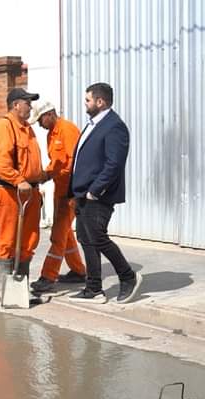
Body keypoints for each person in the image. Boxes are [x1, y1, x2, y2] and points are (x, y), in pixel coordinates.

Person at [68, 82, 142, 304]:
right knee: (86, 239)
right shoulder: (94, 124)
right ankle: (93, 289)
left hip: (98, 196)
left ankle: (128, 277)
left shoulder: (114, 126)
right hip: (82, 194)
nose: (85, 104)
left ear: (100, 102)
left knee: (97, 237)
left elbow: (114, 164)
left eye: (88, 100)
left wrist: (94, 190)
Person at [0, 88, 44, 295]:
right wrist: (19, 180)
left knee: (29, 239)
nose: (31, 107)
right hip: (9, 192)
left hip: (28, 193)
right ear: (15, 105)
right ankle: (7, 287)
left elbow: (29, 161)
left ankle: (21, 288)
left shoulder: (26, 128)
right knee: (9, 240)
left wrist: (39, 176)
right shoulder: (5, 125)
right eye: (27, 102)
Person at [28, 102, 87, 293]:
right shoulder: (50, 135)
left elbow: (73, 164)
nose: (39, 125)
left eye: (40, 120)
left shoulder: (67, 130)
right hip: (59, 191)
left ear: (50, 114)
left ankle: (48, 276)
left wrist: (47, 175)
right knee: (65, 233)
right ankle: (78, 271)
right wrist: (46, 175)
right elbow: (56, 163)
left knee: (58, 235)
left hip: (70, 192)